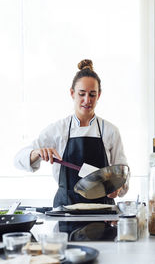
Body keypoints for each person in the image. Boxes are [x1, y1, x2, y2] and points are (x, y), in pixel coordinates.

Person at [14, 59, 128, 207]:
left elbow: (123, 176)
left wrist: (118, 188)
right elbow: (18, 160)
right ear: (72, 93)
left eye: (92, 95)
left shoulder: (110, 131)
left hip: (103, 212)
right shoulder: (58, 129)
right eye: (82, 94)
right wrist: (36, 152)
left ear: (99, 95)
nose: (87, 100)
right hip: (65, 211)